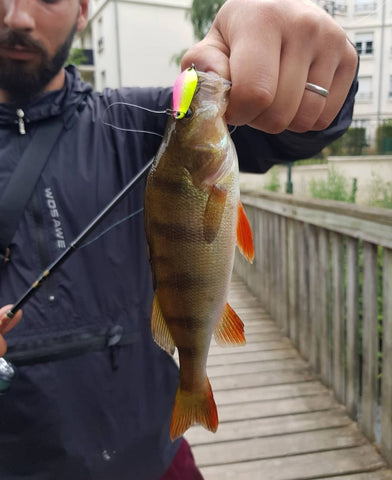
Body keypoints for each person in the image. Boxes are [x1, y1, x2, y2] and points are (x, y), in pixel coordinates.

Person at [0, 0, 358, 478]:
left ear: (82, 11)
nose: (18, 18)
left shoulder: (138, 119)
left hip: (152, 452)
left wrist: (311, 60)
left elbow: (291, 132)